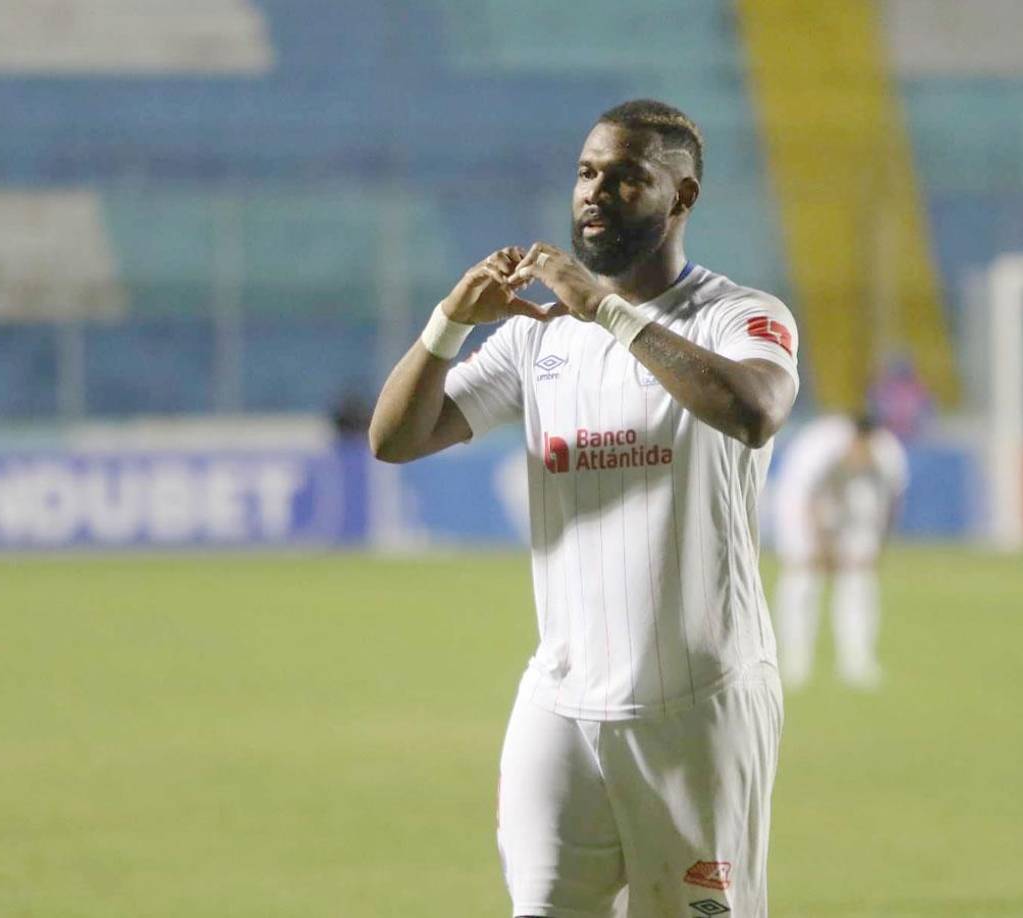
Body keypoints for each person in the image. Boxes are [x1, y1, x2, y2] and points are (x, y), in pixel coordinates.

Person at [368, 99, 799, 917]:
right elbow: (395, 438)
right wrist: (448, 323)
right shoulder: (539, 337)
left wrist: (602, 307)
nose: (595, 193)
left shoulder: (739, 317)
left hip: (700, 709)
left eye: (627, 177)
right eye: (587, 172)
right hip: (561, 703)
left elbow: (754, 410)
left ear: (682, 198)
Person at [771, 413, 908, 691]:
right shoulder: (817, 453)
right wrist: (821, 549)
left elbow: (891, 505)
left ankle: (857, 661)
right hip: (802, 501)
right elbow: (808, 502)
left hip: (852, 505)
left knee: (859, 578)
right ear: (851, 442)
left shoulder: (889, 457)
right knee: (804, 575)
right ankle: (795, 662)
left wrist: (876, 550)